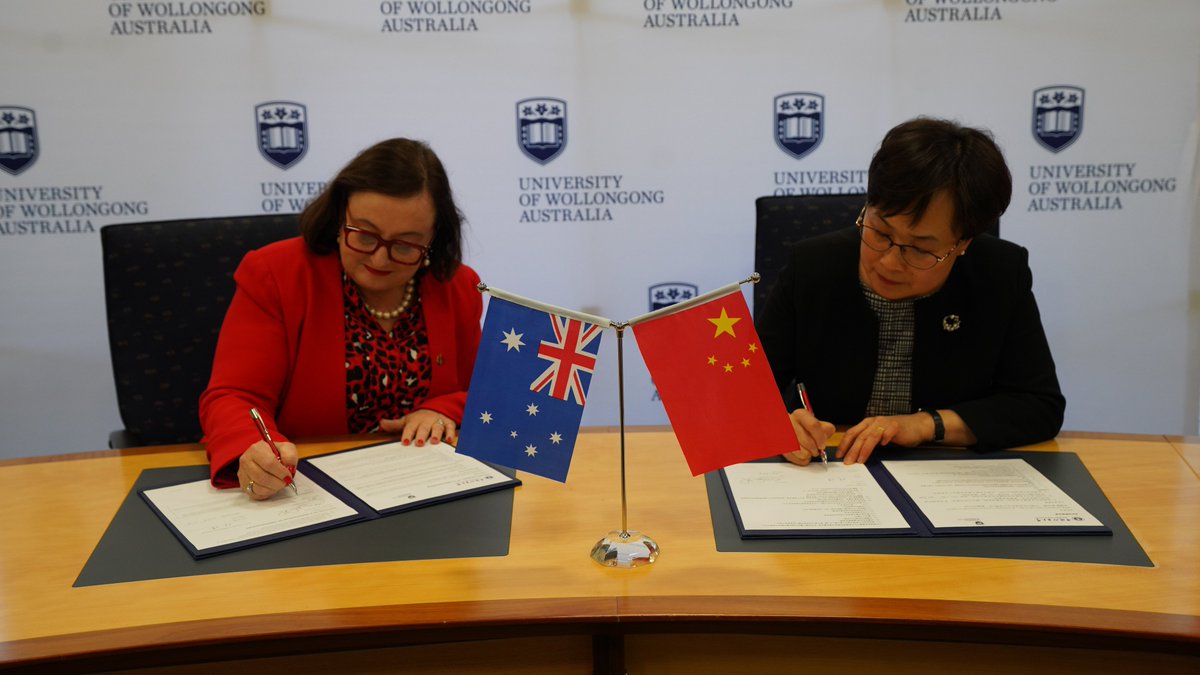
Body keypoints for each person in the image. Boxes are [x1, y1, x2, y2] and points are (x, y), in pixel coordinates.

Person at [757, 117, 1065, 466]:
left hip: (945, 481)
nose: (889, 262)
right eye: (880, 232)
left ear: (962, 243)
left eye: (919, 249)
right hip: (828, 473)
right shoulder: (813, 266)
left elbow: (1039, 407)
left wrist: (926, 425)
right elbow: (745, 390)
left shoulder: (999, 274)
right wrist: (780, 421)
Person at [199, 138, 482, 499]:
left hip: (426, 489)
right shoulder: (275, 274)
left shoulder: (458, 286)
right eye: (364, 236)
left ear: (434, 239)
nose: (380, 260)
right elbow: (234, 396)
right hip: (309, 488)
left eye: (405, 245)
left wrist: (443, 409)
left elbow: (482, 395)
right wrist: (253, 450)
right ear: (339, 216)